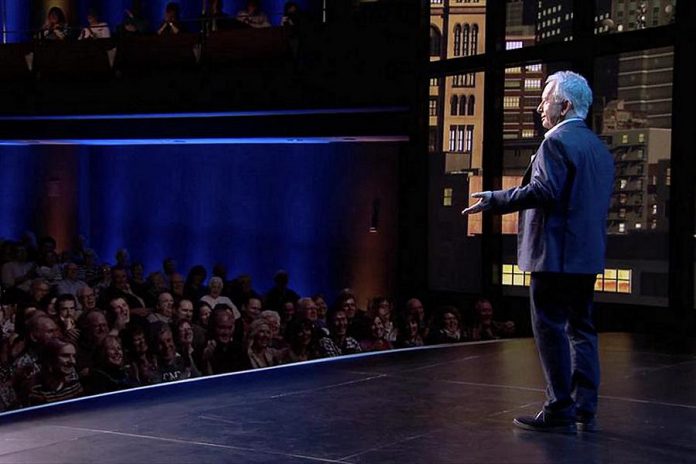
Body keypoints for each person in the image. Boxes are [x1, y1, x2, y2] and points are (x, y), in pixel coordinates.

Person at [462, 71, 614, 434]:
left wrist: (497, 199)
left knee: (550, 329)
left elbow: (543, 191)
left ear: (563, 106)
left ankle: (559, 407)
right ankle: (584, 407)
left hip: (554, 254)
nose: (539, 106)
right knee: (582, 329)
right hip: (584, 255)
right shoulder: (599, 148)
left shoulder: (555, 143)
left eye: (545, 99)